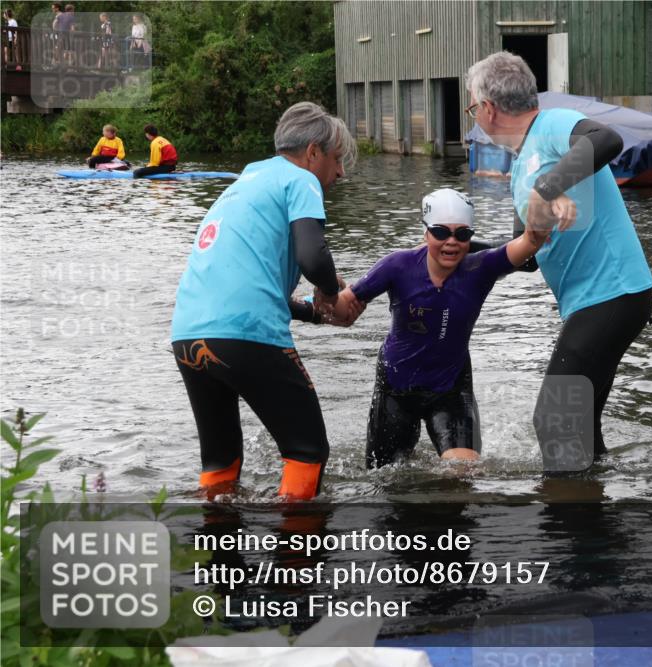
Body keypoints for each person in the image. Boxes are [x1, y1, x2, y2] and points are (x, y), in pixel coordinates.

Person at [465, 51, 652, 473]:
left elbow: (606, 140)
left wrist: (547, 188)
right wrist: (458, 247)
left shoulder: (550, 124)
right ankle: (595, 520)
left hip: (614, 295)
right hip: (595, 303)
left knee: (556, 419)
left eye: (471, 108)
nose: (473, 117)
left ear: (487, 109)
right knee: (577, 423)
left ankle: (570, 525)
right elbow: (526, 255)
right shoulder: (520, 169)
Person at [170, 101, 361, 500]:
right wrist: (330, 294)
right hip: (247, 337)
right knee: (307, 451)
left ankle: (220, 555)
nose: (340, 172)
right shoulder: (300, 179)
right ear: (313, 152)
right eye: (337, 159)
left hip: (188, 336)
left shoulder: (245, 183)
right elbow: (313, 257)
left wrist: (312, 312)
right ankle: (297, 555)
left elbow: (250, 288)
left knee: (221, 460)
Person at [338, 188, 543, 469]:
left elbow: (531, 241)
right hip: (396, 389)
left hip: (450, 388)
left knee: (463, 475)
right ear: (425, 232)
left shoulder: (481, 268)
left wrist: (542, 196)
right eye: (440, 232)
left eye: (462, 235)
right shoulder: (397, 265)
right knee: (382, 480)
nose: (451, 242)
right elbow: (344, 307)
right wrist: (325, 295)